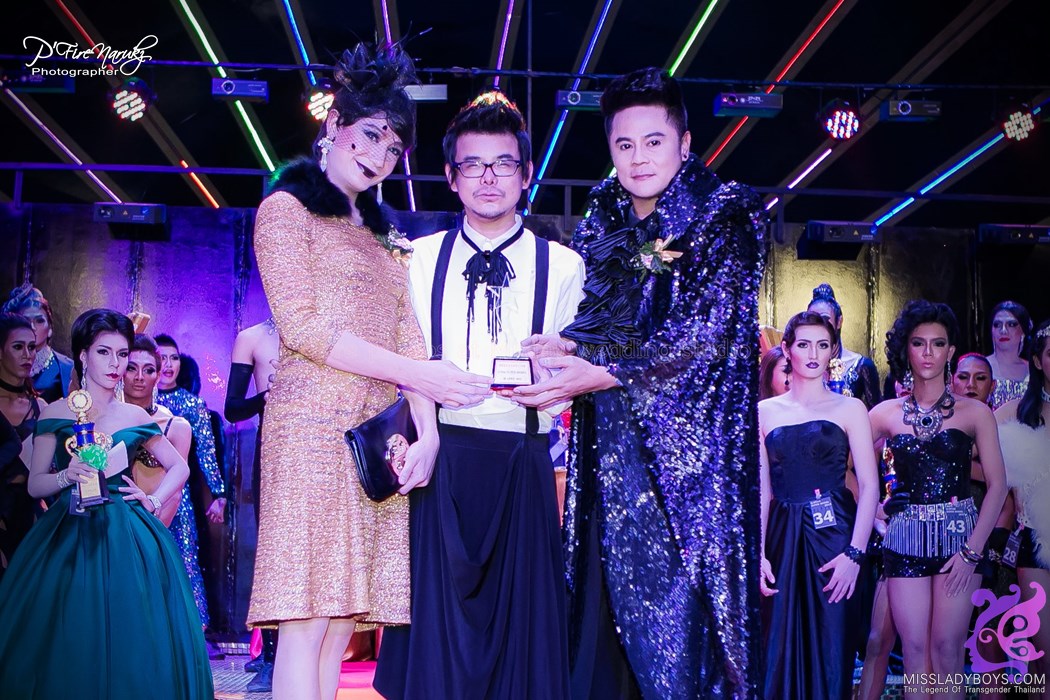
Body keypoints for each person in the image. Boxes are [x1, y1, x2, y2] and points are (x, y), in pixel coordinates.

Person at [248, 42, 490, 700]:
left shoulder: (385, 237)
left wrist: (428, 434)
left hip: (377, 442)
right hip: (309, 432)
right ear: (334, 124)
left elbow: (412, 340)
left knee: (341, 624)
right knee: (306, 619)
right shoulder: (286, 210)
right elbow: (303, 328)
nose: (382, 157)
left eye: (394, 148)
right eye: (372, 135)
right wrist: (422, 378)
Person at [514, 68, 766, 698]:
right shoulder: (605, 213)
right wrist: (569, 344)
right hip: (610, 453)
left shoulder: (723, 214)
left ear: (685, 143)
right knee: (601, 623)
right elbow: (605, 317)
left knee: (680, 643)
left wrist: (602, 372)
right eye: (624, 145)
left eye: (654, 142)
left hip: (687, 476)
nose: (638, 158)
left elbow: (705, 335)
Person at [373, 92, 584, 700]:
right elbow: (400, 359)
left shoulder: (564, 266)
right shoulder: (416, 259)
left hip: (524, 457)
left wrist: (554, 383)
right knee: (435, 639)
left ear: (526, 173)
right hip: (439, 455)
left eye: (503, 163)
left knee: (524, 642)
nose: (489, 178)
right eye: (473, 164)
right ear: (450, 176)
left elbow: (575, 377)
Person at [0, 308, 212, 698]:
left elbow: (179, 468)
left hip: (126, 533)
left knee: (132, 630)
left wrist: (152, 499)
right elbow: (34, 485)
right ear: (83, 355)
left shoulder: (133, 415)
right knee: (70, 631)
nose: (116, 364)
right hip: (70, 529)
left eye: (122, 354)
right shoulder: (56, 412)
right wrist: (67, 477)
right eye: (104, 352)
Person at [868, 300, 1007, 699]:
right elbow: (844, 465)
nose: (928, 352)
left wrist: (972, 552)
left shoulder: (975, 413)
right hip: (904, 541)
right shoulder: (884, 413)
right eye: (919, 343)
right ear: (906, 350)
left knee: (947, 651)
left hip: (959, 543)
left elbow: (998, 485)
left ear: (950, 351)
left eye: (938, 343)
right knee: (914, 652)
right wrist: (875, 511)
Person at [759, 311, 878, 700]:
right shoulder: (764, 412)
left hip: (835, 540)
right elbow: (763, 490)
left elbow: (870, 486)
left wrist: (855, 554)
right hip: (781, 541)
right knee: (777, 655)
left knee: (831, 654)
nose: (813, 354)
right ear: (787, 350)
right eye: (804, 344)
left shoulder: (850, 408)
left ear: (832, 351)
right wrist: (759, 554)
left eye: (823, 345)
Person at [154, 332, 226, 638]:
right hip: (139, 490)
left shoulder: (191, 404)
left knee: (186, 557)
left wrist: (219, 494)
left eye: (173, 358)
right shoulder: (135, 402)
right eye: (161, 358)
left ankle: (197, 629)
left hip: (177, 494)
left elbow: (207, 452)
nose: (168, 364)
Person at [224, 317, 280, 692]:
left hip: (321, 449)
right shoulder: (252, 338)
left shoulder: (325, 329)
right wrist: (268, 396)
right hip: (272, 448)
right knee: (271, 551)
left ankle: (296, 652)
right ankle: (271, 657)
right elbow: (233, 408)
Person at [995, 319, 1050, 683]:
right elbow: (973, 460)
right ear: (1037, 360)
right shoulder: (1013, 413)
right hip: (1034, 544)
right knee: (1045, 656)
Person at [124, 333, 192, 526]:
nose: (139, 377)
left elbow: (176, 492)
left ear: (158, 376)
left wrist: (151, 531)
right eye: (131, 368)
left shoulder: (175, 427)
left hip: (155, 522)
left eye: (148, 370)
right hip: (111, 522)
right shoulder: (106, 419)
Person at [0, 313, 47, 576]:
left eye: (31, 347)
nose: (27, 355)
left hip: (30, 520)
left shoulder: (41, 408)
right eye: (18, 347)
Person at [808, 283, 881, 410]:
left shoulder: (861, 365)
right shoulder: (801, 364)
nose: (819, 325)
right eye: (812, 319)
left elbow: (877, 413)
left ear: (839, 321)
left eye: (825, 318)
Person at [2, 284, 73, 403]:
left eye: (39, 321)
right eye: (25, 320)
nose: (32, 327)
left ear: (50, 328)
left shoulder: (68, 368)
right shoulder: (4, 364)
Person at [985, 300, 1032, 409]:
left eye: (1011, 324)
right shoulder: (980, 366)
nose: (1003, 330)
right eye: (997, 325)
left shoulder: (1033, 369)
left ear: (1023, 330)